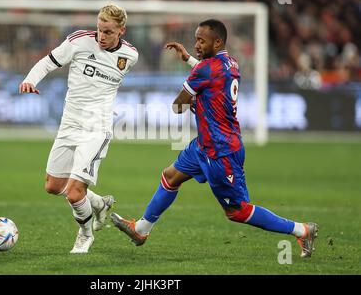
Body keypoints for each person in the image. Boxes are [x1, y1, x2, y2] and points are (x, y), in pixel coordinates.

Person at [110, 19, 318, 258]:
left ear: (217, 42)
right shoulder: (230, 63)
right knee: (170, 176)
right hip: (204, 145)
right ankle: (141, 229)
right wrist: (189, 60)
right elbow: (209, 75)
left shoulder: (205, 69)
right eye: (196, 39)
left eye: (201, 40)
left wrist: (191, 99)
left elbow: (178, 106)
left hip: (221, 151)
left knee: (237, 211)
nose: (197, 44)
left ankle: (302, 230)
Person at [19, 4, 138, 253]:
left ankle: (85, 235)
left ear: (121, 31)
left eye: (107, 32)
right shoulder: (79, 41)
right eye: (99, 30)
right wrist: (30, 79)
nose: (101, 37)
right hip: (69, 123)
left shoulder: (130, 56)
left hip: (97, 127)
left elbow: (104, 88)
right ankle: (99, 203)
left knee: (74, 193)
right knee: (52, 186)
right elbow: (47, 62)